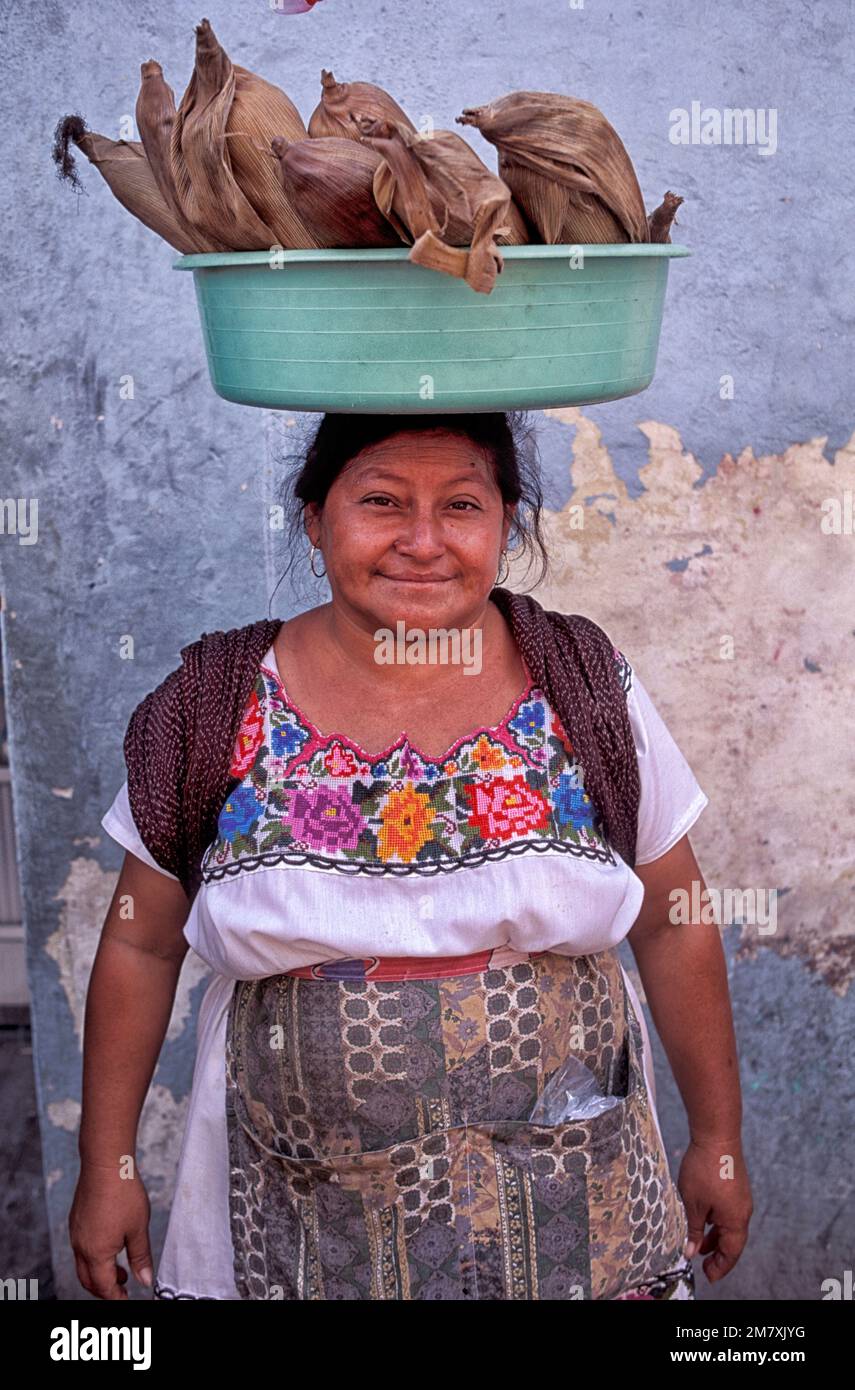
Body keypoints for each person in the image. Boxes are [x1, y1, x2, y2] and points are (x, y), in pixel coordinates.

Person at [70, 411, 752, 1300]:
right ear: (315, 519)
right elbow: (140, 944)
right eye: (381, 501)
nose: (422, 542)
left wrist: (718, 1142)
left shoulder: (579, 680)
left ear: (505, 522)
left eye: (461, 504)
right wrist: (107, 1163)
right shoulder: (213, 704)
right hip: (292, 1199)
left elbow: (673, 923)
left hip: (573, 1190)